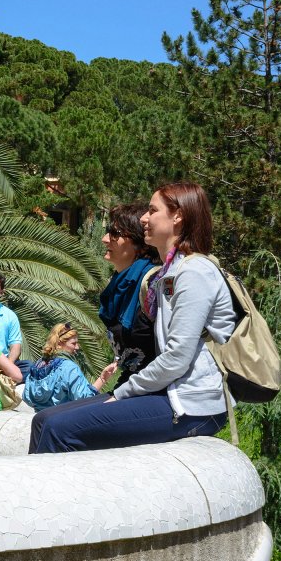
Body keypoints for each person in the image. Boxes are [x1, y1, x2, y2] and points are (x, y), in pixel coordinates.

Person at [32, 182, 237, 453]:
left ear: (178, 216)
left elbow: (177, 358)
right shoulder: (171, 272)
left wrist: (122, 393)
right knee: (42, 420)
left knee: (60, 429)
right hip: (167, 393)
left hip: (191, 403)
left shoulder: (194, 272)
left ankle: (55, 496)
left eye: (152, 210)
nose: (144, 218)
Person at [97, 202, 160, 382]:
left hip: (152, 388)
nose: (105, 239)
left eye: (115, 234)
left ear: (141, 244)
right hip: (130, 380)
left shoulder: (153, 285)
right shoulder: (119, 284)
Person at [24, 324, 116, 411]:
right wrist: (102, 379)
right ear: (59, 344)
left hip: (42, 417)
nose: (77, 347)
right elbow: (84, 400)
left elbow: (27, 396)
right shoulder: (69, 368)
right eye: (73, 343)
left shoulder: (39, 364)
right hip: (63, 419)